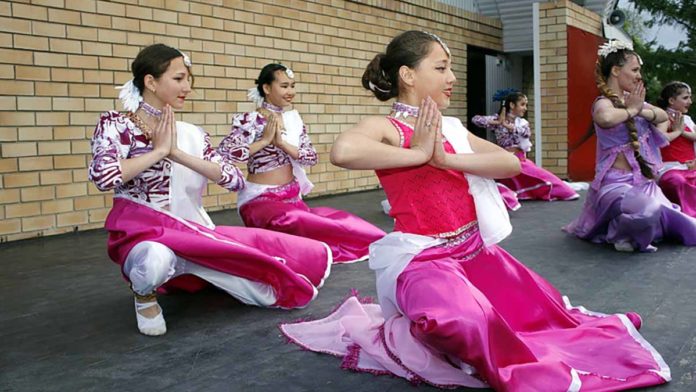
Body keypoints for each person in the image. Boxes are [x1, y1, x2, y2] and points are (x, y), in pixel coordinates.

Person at [280, 31, 669, 391]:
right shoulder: (385, 125)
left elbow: (511, 165)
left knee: (546, 319)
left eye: (450, 67)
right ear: (407, 75)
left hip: (474, 252)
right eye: (441, 67)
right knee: (463, 323)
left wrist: (445, 161)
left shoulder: (449, 126)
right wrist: (417, 153)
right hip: (423, 258)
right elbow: (343, 152)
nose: (451, 76)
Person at [89, 44, 332, 336]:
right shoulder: (116, 125)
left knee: (265, 290)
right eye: (179, 79)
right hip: (143, 234)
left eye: (189, 79)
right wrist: (158, 152)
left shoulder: (191, 133)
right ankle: (144, 295)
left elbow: (233, 179)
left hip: (192, 232)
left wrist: (177, 154)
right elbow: (103, 177)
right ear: (150, 81)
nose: (187, 87)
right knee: (155, 261)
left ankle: (196, 270)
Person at [217, 63, 385, 263]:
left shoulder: (294, 120)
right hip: (260, 201)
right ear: (267, 88)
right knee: (296, 222)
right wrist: (263, 141)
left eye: (292, 86)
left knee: (338, 222)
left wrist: (282, 144)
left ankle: (382, 244)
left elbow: (310, 157)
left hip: (292, 199)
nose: (290, 92)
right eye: (284, 86)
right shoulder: (250, 120)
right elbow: (225, 155)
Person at [564, 41, 696, 252]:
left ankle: (638, 228)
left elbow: (662, 115)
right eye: (634, 70)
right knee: (647, 211)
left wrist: (640, 110)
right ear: (616, 71)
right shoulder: (603, 102)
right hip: (615, 186)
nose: (638, 76)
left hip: (643, 183)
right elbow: (605, 118)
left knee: (688, 226)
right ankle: (617, 232)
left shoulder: (635, 101)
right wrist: (632, 110)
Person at [472, 91, 580, 201]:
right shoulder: (498, 119)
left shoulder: (522, 123)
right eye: (522, 104)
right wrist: (497, 122)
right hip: (505, 161)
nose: (525, 108)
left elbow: (526, 133)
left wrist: (512, 128)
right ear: (512, 105)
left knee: (547, 180)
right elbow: (475, 120)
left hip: (520, 160)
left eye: (526, 105)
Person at [654, 81, 696, 217]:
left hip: (690, 167)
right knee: (677, 181)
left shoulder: (687, 120)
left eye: (690, 97)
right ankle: (685, 217)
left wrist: (682, 131)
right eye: (685, 98)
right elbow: (660, 139)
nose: (690, 101)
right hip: (670, 168)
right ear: (671, 100)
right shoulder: (663, 117)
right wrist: (677, 132)